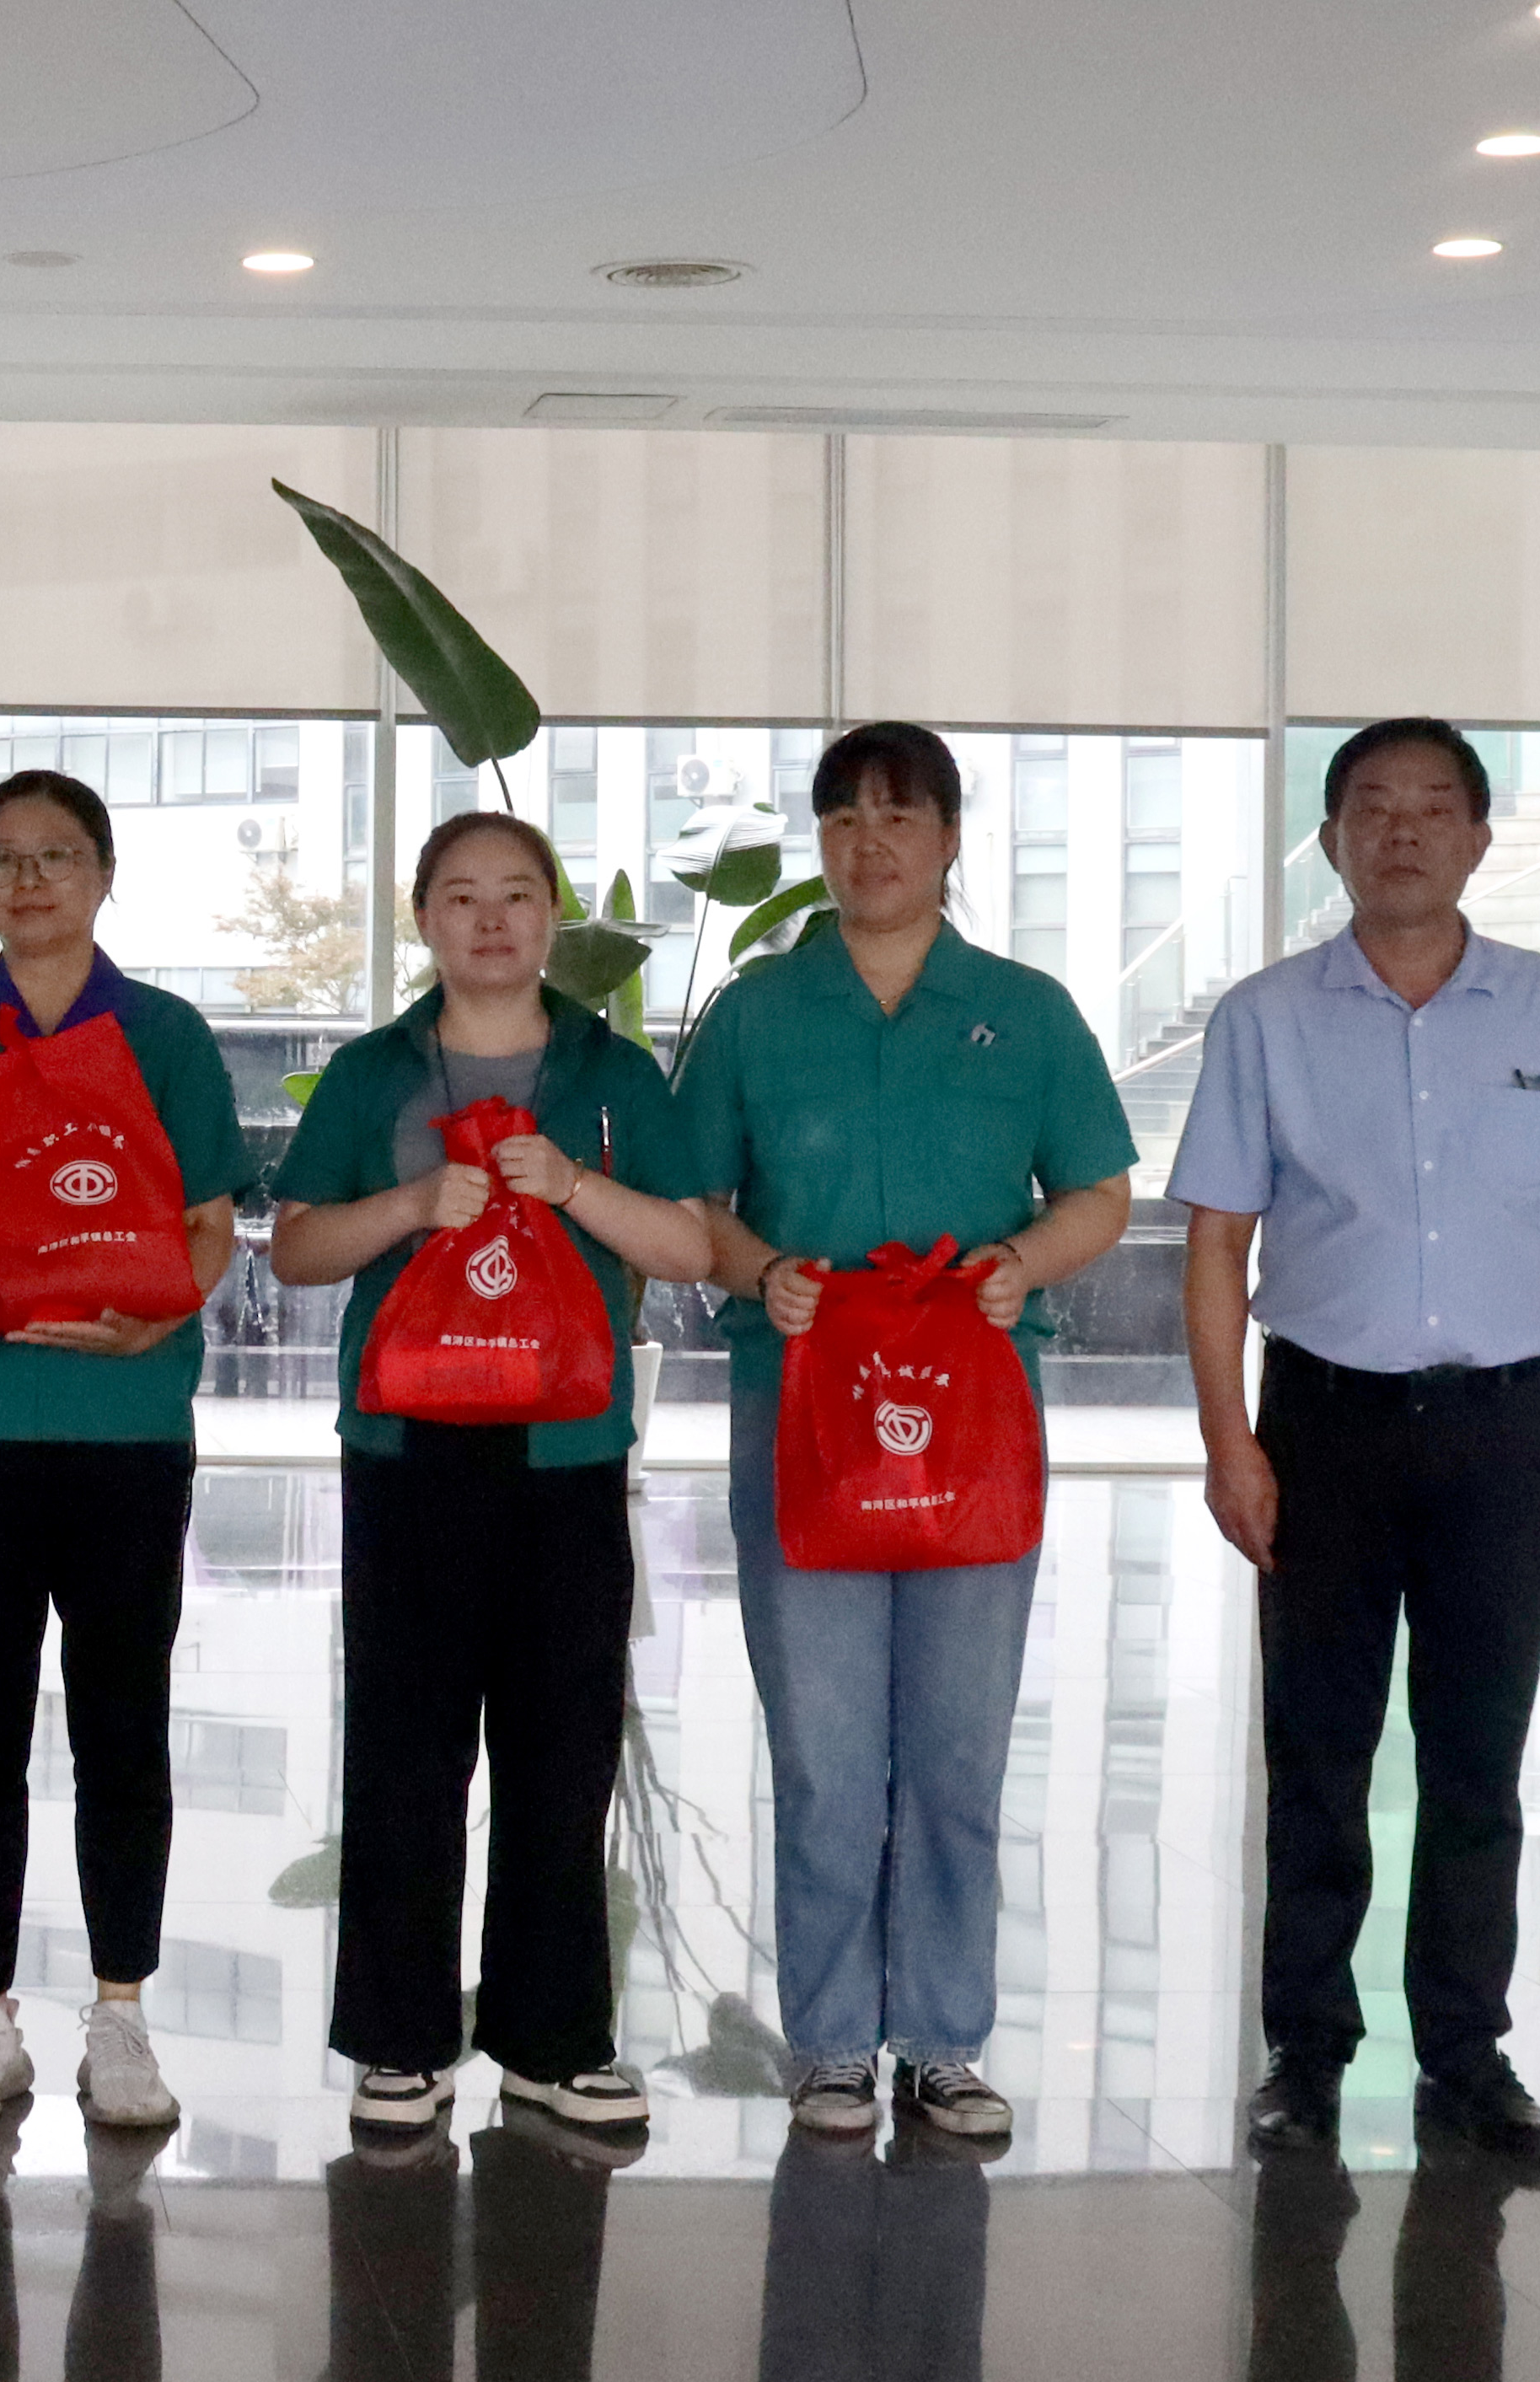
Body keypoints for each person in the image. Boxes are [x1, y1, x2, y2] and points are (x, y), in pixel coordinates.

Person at [1172, 718, 1540, 2174]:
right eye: (1373, 807)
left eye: (1433, 806)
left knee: (1477, 1755)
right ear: (1332, 839)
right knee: (1317, 1751)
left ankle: (1466, 2052)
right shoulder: (1265, 1017)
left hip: (1504, 1427)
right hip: (1321, 1421)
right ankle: (1307, 2054)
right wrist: (1228, 1437)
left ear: (1478, 838)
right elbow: (1217, 1242)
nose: (1402, 831)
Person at [677, 721, 1136, 2142]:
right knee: (823, 1748)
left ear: (948, 839)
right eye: (843, 820)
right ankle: (828, 2039)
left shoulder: (1026, 1011)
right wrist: (760, 1267)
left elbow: (1099, 1192)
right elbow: (697, 1205)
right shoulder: (758, 1012)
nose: (868, 844)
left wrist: (1023, 1264)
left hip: (972, 1420)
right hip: (804, 1417)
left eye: (898, 816)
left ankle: (941, 2037)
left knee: (955, 1744)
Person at [269, 811, 711, 2138]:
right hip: (407, 1449)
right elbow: (296, 1247)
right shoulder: (373, 1073)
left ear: (552, 912)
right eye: (461, 896)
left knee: (561, 1752)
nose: (492, 919)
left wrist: (572, 1185)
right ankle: (399, 2037)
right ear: (424, 918)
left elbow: (689, 1246)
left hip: (567, 1450)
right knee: (404, 1749)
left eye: (517, 893)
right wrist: (412, 1206)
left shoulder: (614, 1072)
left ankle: (551, 2039)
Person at [0, 770, 251, 2131]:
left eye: (58, 855)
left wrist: (161, 1318)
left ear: (104, 874)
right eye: (5, 858)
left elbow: (210, 1222)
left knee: (122, 1724)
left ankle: (121, 2016)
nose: (30, 881)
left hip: (128, 1429)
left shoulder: (166, 1035)